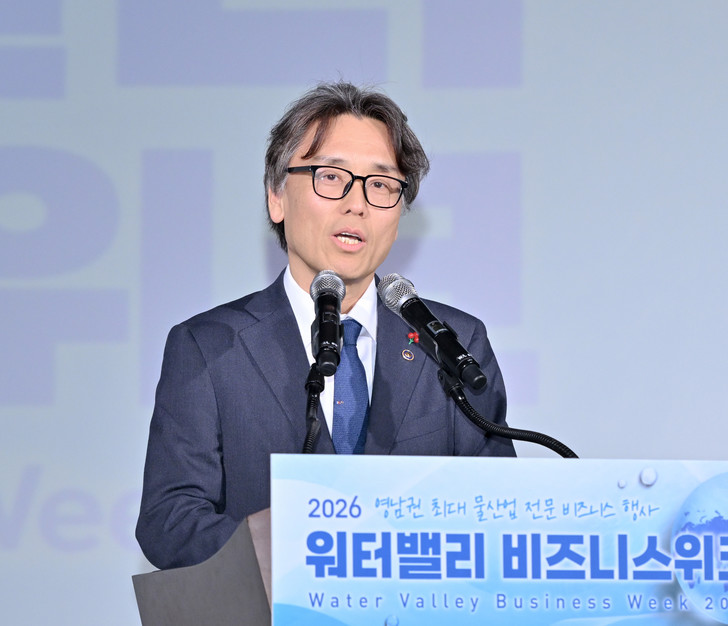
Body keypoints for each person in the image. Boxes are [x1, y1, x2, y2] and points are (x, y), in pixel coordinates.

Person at [136, 82, 516, 570]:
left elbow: (500, 513)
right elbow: (170, 521)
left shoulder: (453, 343)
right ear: (276, 197)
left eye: (381, 184)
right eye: (331, 177)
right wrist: (303, 547)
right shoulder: (209, 347)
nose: (357, 203)